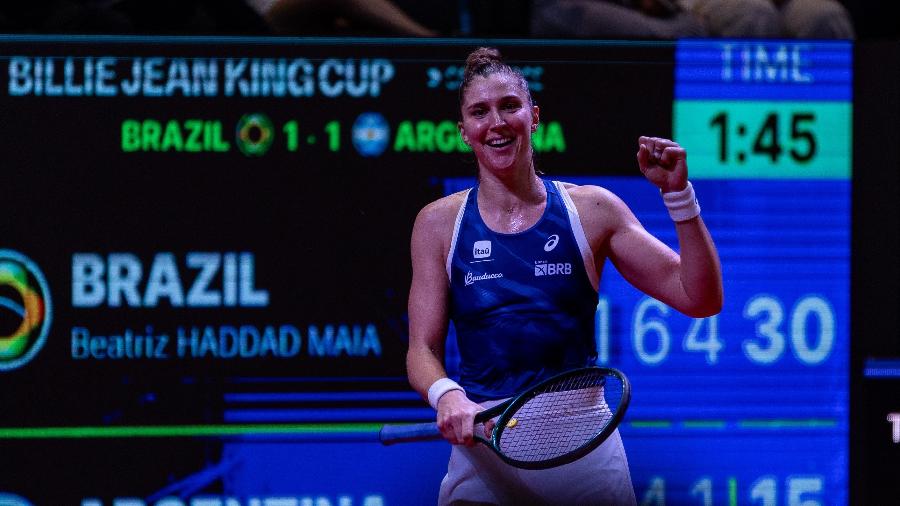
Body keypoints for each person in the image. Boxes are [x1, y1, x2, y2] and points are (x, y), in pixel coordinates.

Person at [405, 47, 723, 504]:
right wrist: (446, 395)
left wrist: (679, 197)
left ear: (534, 117)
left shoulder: (592, 210)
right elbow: (421, 350)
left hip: (583, 443)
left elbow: (700, 297)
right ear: (464, 132)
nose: (496, 122)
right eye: (480, 112)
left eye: (509, 106)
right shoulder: (437, 224)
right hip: (483, 434)